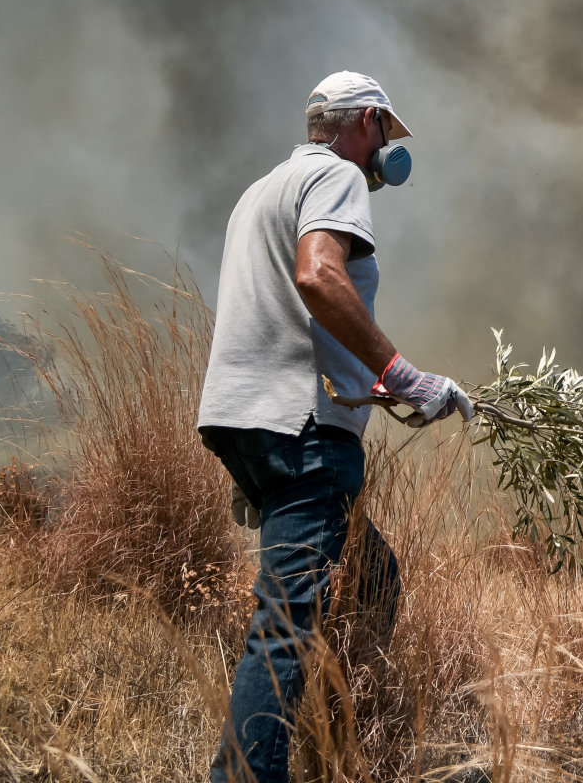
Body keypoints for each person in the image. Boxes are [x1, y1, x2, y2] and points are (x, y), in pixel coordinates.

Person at [196, 70, 474, 783]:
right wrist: (406, 375)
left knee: (375, 577)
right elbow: (319, 279)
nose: (387, 149)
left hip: (246, 422)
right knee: (286, 623)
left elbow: (283, 315)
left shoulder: (261, 191)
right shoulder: (339, 178)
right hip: (300, 431)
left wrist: (367, 386)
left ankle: (341, 735)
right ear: (367, 123)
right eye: (386, 131)